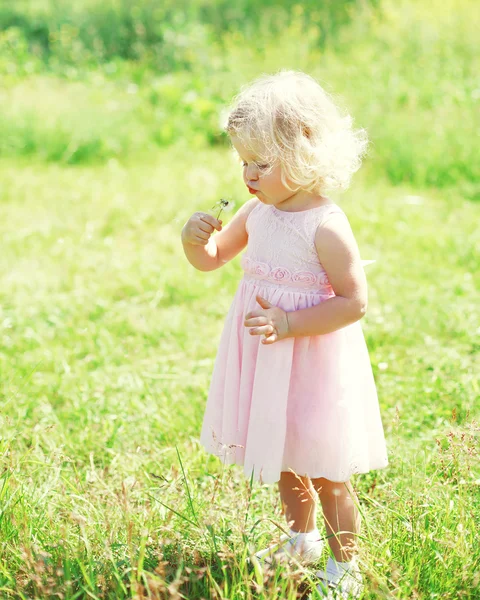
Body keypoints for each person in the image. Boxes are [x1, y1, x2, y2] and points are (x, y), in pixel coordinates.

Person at [181, 70, 388, 598]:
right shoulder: (257, 211)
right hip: (267, 356)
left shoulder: (325, 225)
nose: (248, 175)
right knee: (282, 451)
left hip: (311, 359)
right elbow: (212, 259)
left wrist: (290, 322)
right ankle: (302, 540)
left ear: (304, 153)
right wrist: (192, 240)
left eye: (262, 163)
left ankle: (346, 567)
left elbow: (354, 301)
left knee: (325, 466)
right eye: (244, 162)